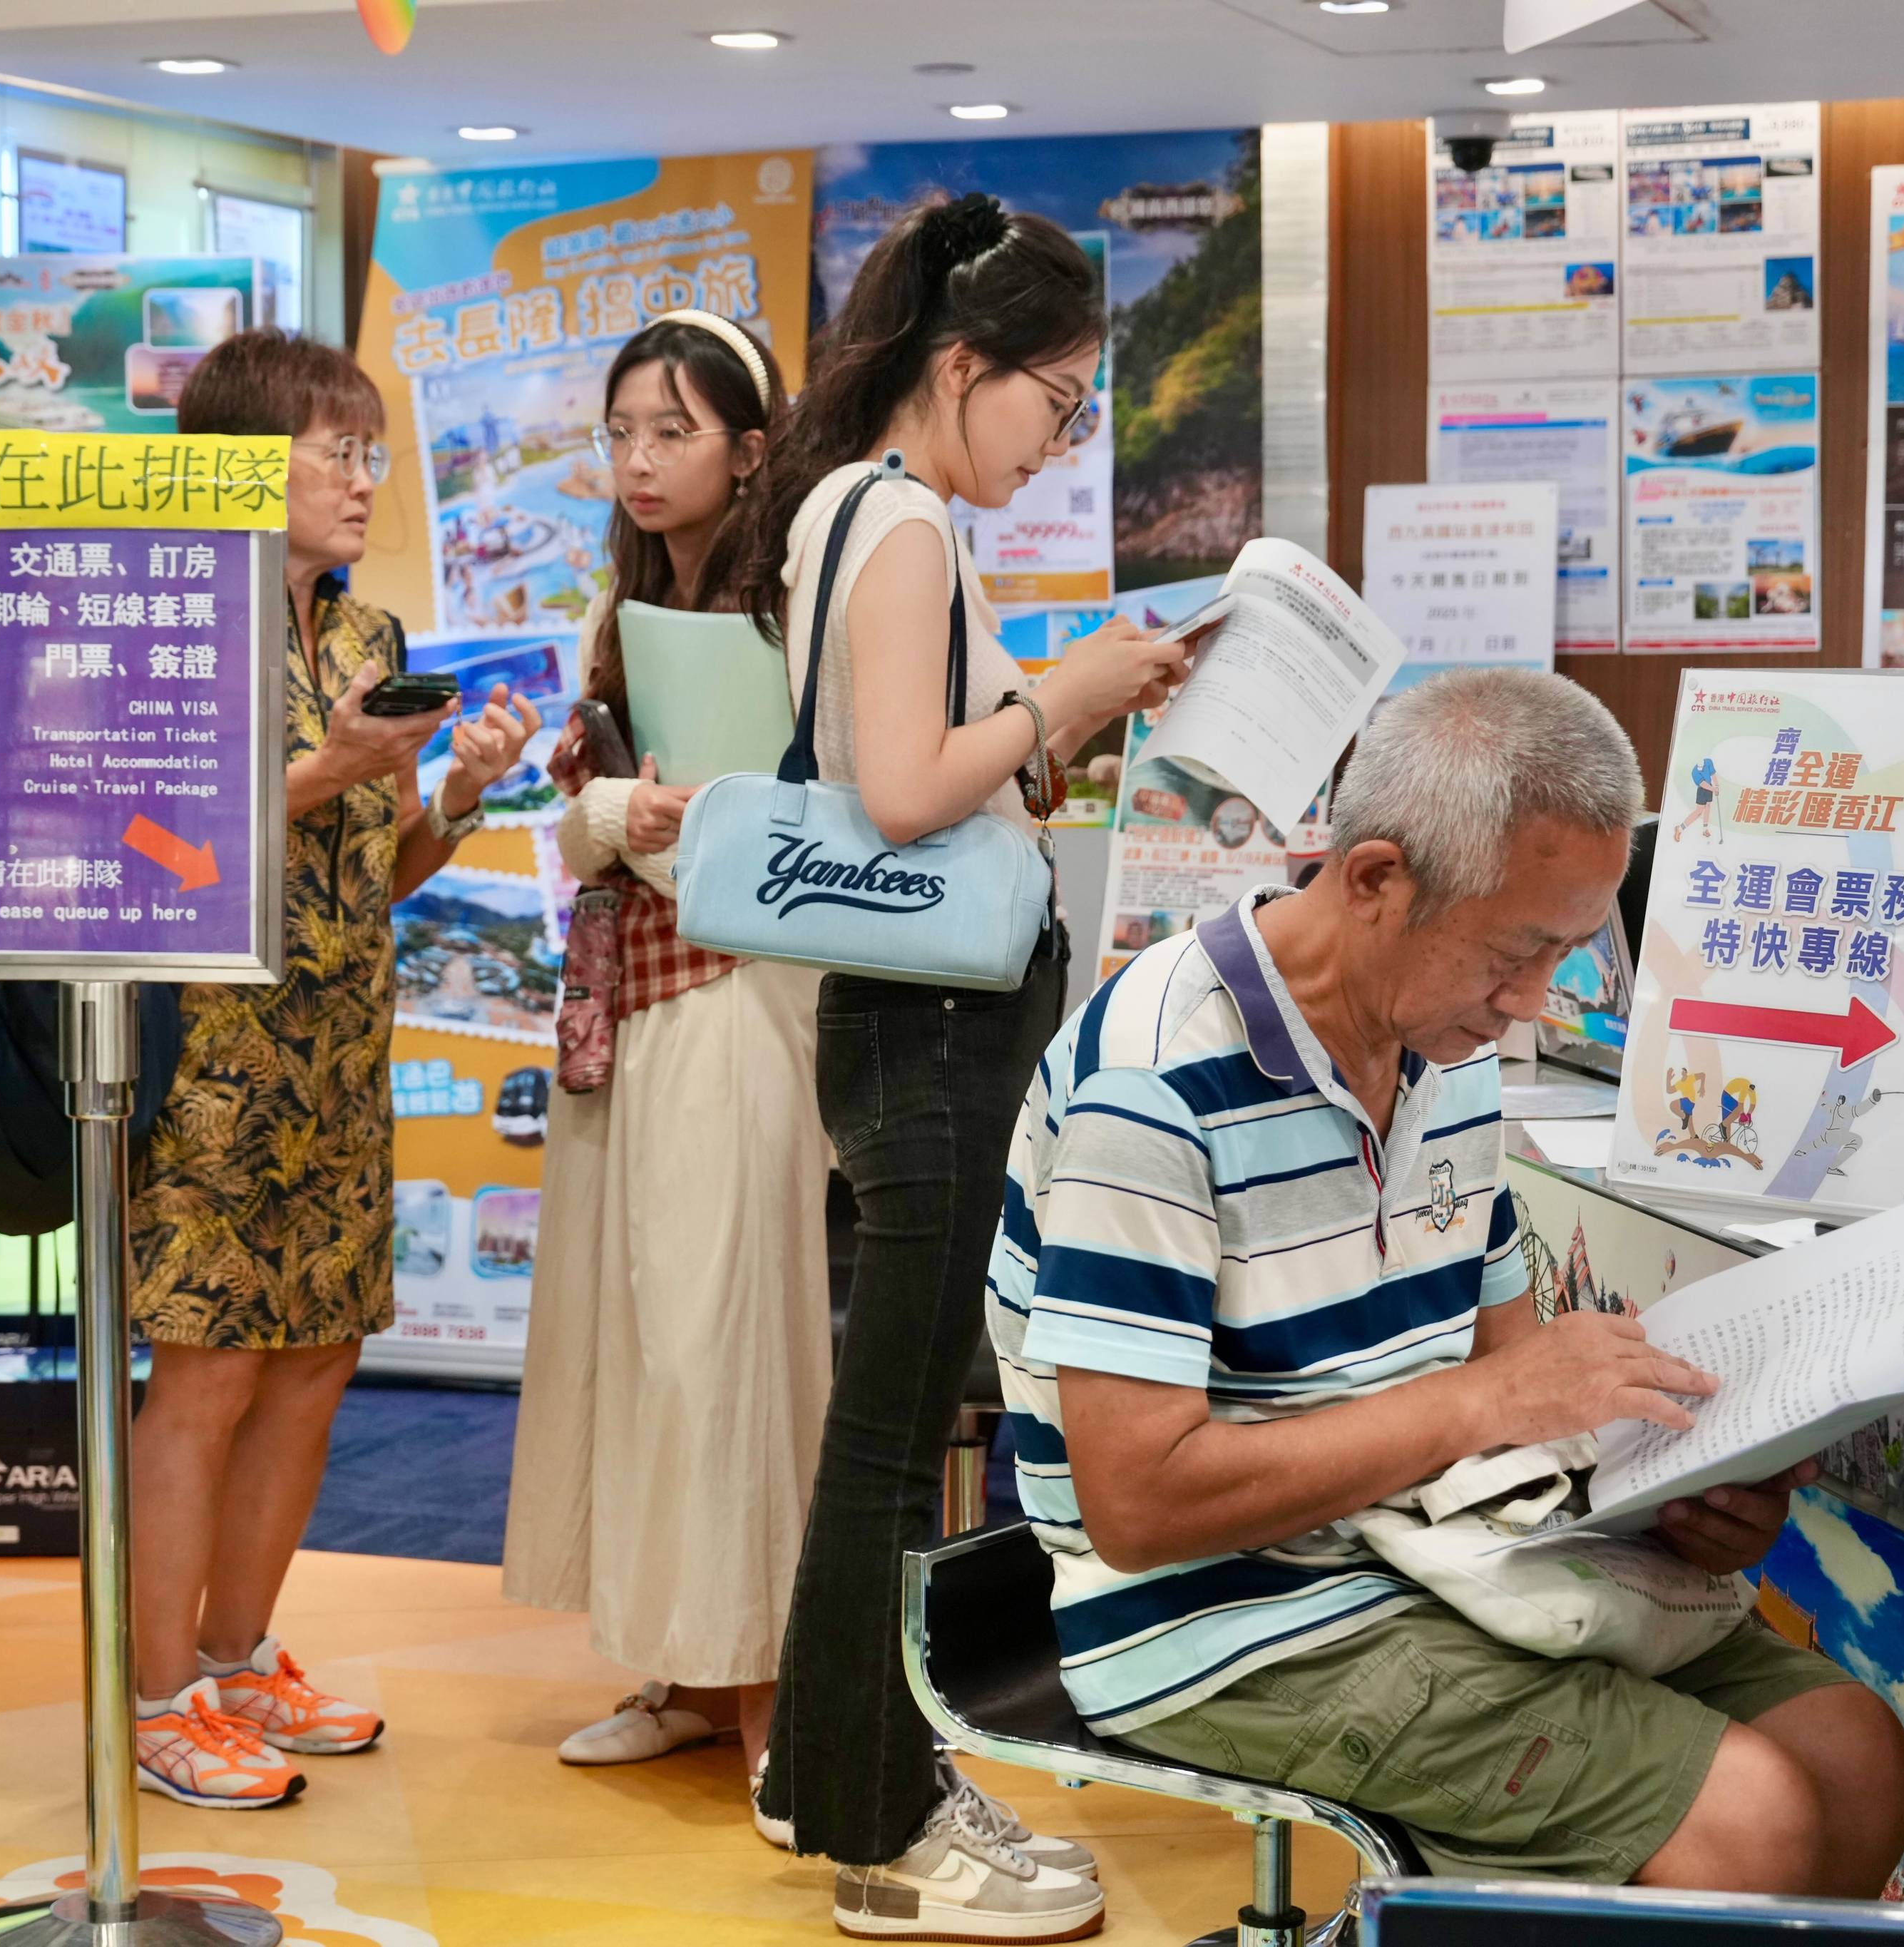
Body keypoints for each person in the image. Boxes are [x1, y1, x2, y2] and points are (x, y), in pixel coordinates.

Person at [991, 669, 1904, 1895]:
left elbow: (1509, 1376)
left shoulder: (1447, 1056)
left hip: (1441, 1556)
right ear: (1375, 879)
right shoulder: (1156, 1081)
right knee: (1749, 1821)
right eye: (1517, 950)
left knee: (1857, 1757)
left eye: (1569, 954)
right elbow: (1138, 1504)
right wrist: (1494, 1406)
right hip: (1220, 1620)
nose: (1534, 1001)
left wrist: (1678, 1493)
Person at [711, 192, 1194, 1941]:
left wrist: (1027, 740)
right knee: (892, 1434)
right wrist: (1066, 695)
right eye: (1054, 405)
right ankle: (875, 1830)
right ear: (965, 366)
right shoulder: (897, 521)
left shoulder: (849, 507)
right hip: (927, 1023)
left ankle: (829, 1771)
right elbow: (904, 790)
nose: (1058, 445)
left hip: (902, 1010)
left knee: (895, 1425)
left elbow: (891, 772)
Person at [123, 329, 539, 1809]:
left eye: (373, 452)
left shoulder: (369, 645)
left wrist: (463, 797)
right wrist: (321, 773)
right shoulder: (166, 627)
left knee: (314, 1362)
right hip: (209, 1055)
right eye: (337, 451)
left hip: (343, 1048)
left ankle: (237, 1657)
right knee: (207, 1369)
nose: (366, 481)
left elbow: (381, 868)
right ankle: (155, 1692)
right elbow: (147, 847)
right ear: (244, 467)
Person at [501, 312, 829, 1787]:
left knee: (725, 1343)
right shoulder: (625, 609)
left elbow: (847, 813)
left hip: (750, 998)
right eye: (620, 431)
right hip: (629, 998)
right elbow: (588, 817)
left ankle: (774, 1696)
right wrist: (604, 816)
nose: (636, 460)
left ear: (751, 449)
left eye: (670, 432)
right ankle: (687, 1668)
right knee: (636, 1341)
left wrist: (662, 819)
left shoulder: (804, 602)